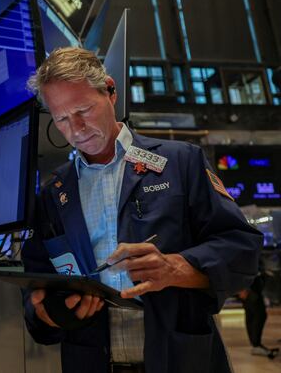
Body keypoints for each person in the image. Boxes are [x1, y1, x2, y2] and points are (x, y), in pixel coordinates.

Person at [22, 47, 262, 373]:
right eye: (62, 119)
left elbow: (242, 248)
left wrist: (177, 268)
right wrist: (47, 313)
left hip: (178, 356)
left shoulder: (180, 162)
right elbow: (35, 285)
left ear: (110, 91)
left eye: (84, 110)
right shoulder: (53, 193)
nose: (76, 129)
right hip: (90, 358)